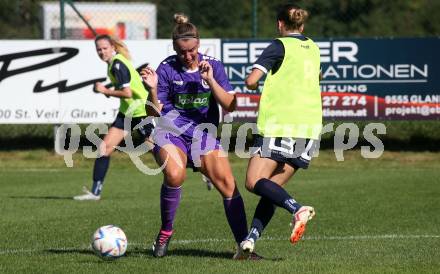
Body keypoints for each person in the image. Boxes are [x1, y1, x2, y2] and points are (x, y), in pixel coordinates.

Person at [141, 13, 256, 260]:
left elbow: (230, 105)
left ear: (199, 44)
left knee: (228, 185)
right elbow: (152, 111)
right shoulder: (166, 68)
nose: (188, 56)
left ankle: (243, 248)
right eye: (182, 52)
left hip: (204, 136)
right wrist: (151, 89)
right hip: (171, 132)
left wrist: (210, 80)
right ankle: (165, 231)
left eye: (192, 50)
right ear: (175, 48)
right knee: (174, 173)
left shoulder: (213, 65)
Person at [239, 4, 322, 255]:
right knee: (272, 190)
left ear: (280, 24)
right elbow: (316, 77)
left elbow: (252, 81)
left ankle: (298, 208)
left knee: (253, 182)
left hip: (281, 124)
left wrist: (252, 83)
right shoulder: (314, 48)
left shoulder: (278, 45)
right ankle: (249, 241)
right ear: (303, 26)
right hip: (309, 127)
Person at [74, 35, 153, 201]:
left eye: (104, 48)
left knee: (161, 152)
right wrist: (109, 92)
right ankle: (95, 192)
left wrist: (105, 91)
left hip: (142, 111)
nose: (102, 52)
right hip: (127, 113)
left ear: (113, 48)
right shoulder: (113, 63)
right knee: (104, 148)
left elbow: (127, 93)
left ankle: (202, 170)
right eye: (99, 49)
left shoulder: (117, 64)